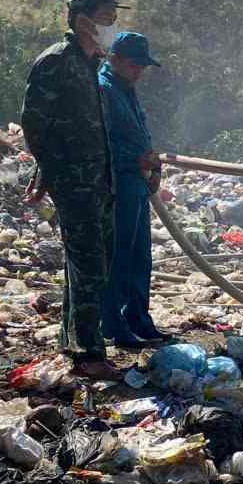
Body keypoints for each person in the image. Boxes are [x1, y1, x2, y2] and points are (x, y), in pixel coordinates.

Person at [20, 0, 127, 380]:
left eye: (114, 18)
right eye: (105, 18)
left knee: (92, 262)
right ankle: (88, 355)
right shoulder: (55, 62)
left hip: (100, 178)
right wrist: (50, 170)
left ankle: (75, 339)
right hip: (75, 181)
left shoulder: (92, 63)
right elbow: (35, 124)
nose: (111, 25)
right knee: (90, 264)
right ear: (83, 20)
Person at [98, 31, 172, 346]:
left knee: (140, 256)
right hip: (118, 182)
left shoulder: (126, 89)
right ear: (114, 59)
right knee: (119, 258)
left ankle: (139, 319)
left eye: (142, 66)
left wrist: (154, 168)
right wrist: (136, 160)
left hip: (138, 183)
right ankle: (114, 325)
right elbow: (101, 143)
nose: (139, 71)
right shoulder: (102, 90)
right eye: (134, 65)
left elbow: (140, 134)